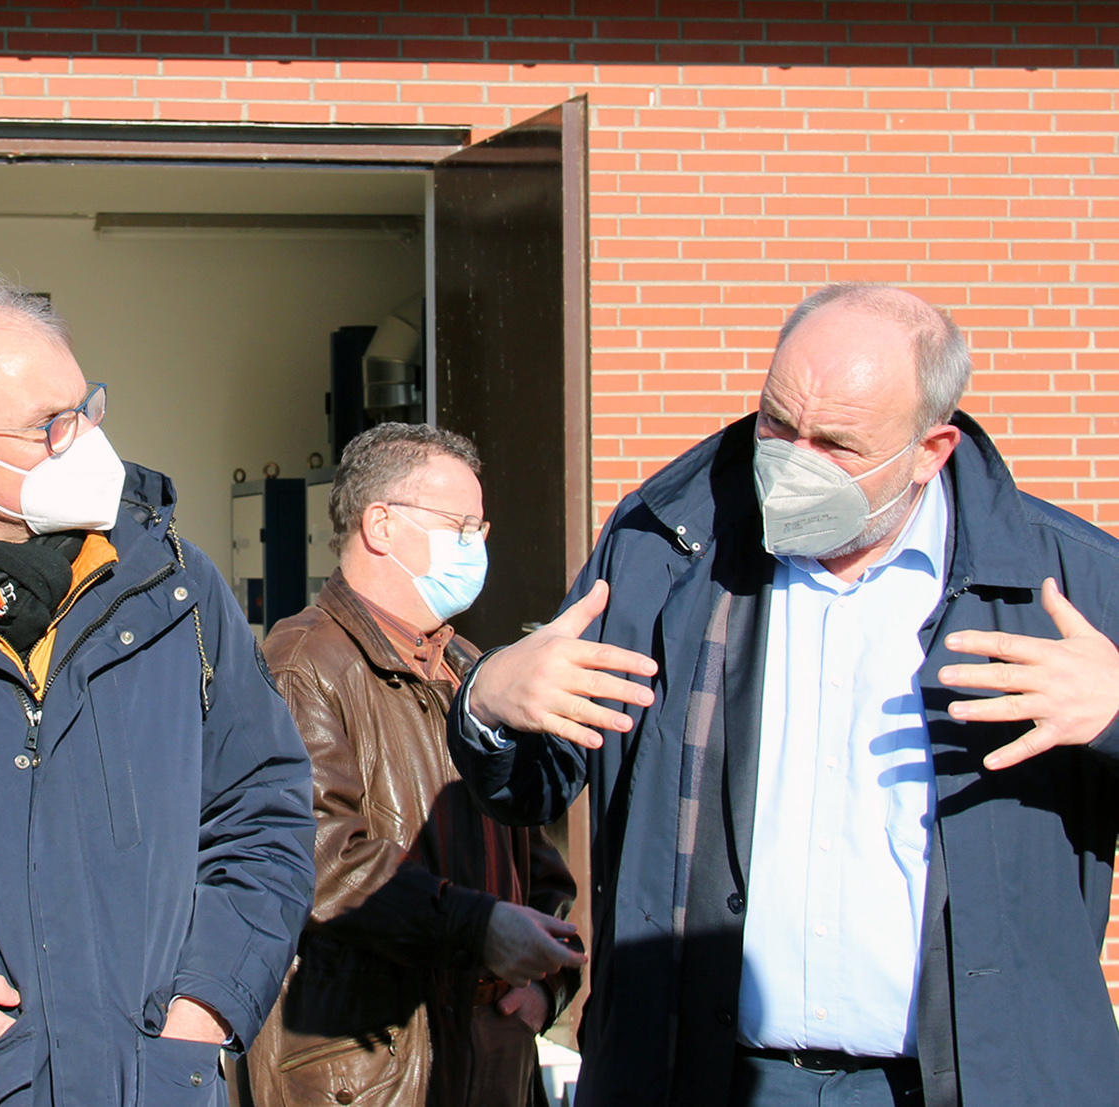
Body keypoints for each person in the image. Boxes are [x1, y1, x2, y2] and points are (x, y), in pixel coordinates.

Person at [448, 283, 1119, 1107]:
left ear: (929, 450)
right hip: (709, 1076)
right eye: (776, 422)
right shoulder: (666, 549)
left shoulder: (1068, 585)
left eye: (836, 443)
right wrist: (491, 703)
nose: (794, 458)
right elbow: (536, 782)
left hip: (969, 1082)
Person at [0, 271, 316, 1106]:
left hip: (155, 1082)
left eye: (85, 407)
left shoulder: (175, 588)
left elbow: (264, 807)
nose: (84, 440)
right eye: (49, 424)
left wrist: (205, 1007)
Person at [245, 424, 586, 1107]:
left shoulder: (471, 670)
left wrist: (546, 985)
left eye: (479, 526)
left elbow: (540, 864)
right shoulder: (302, 663)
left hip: (489, 1060)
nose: (477, 544)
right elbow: (318, 856)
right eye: (459, 524)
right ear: (381, 526)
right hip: (371, 1075)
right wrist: (479, 927)